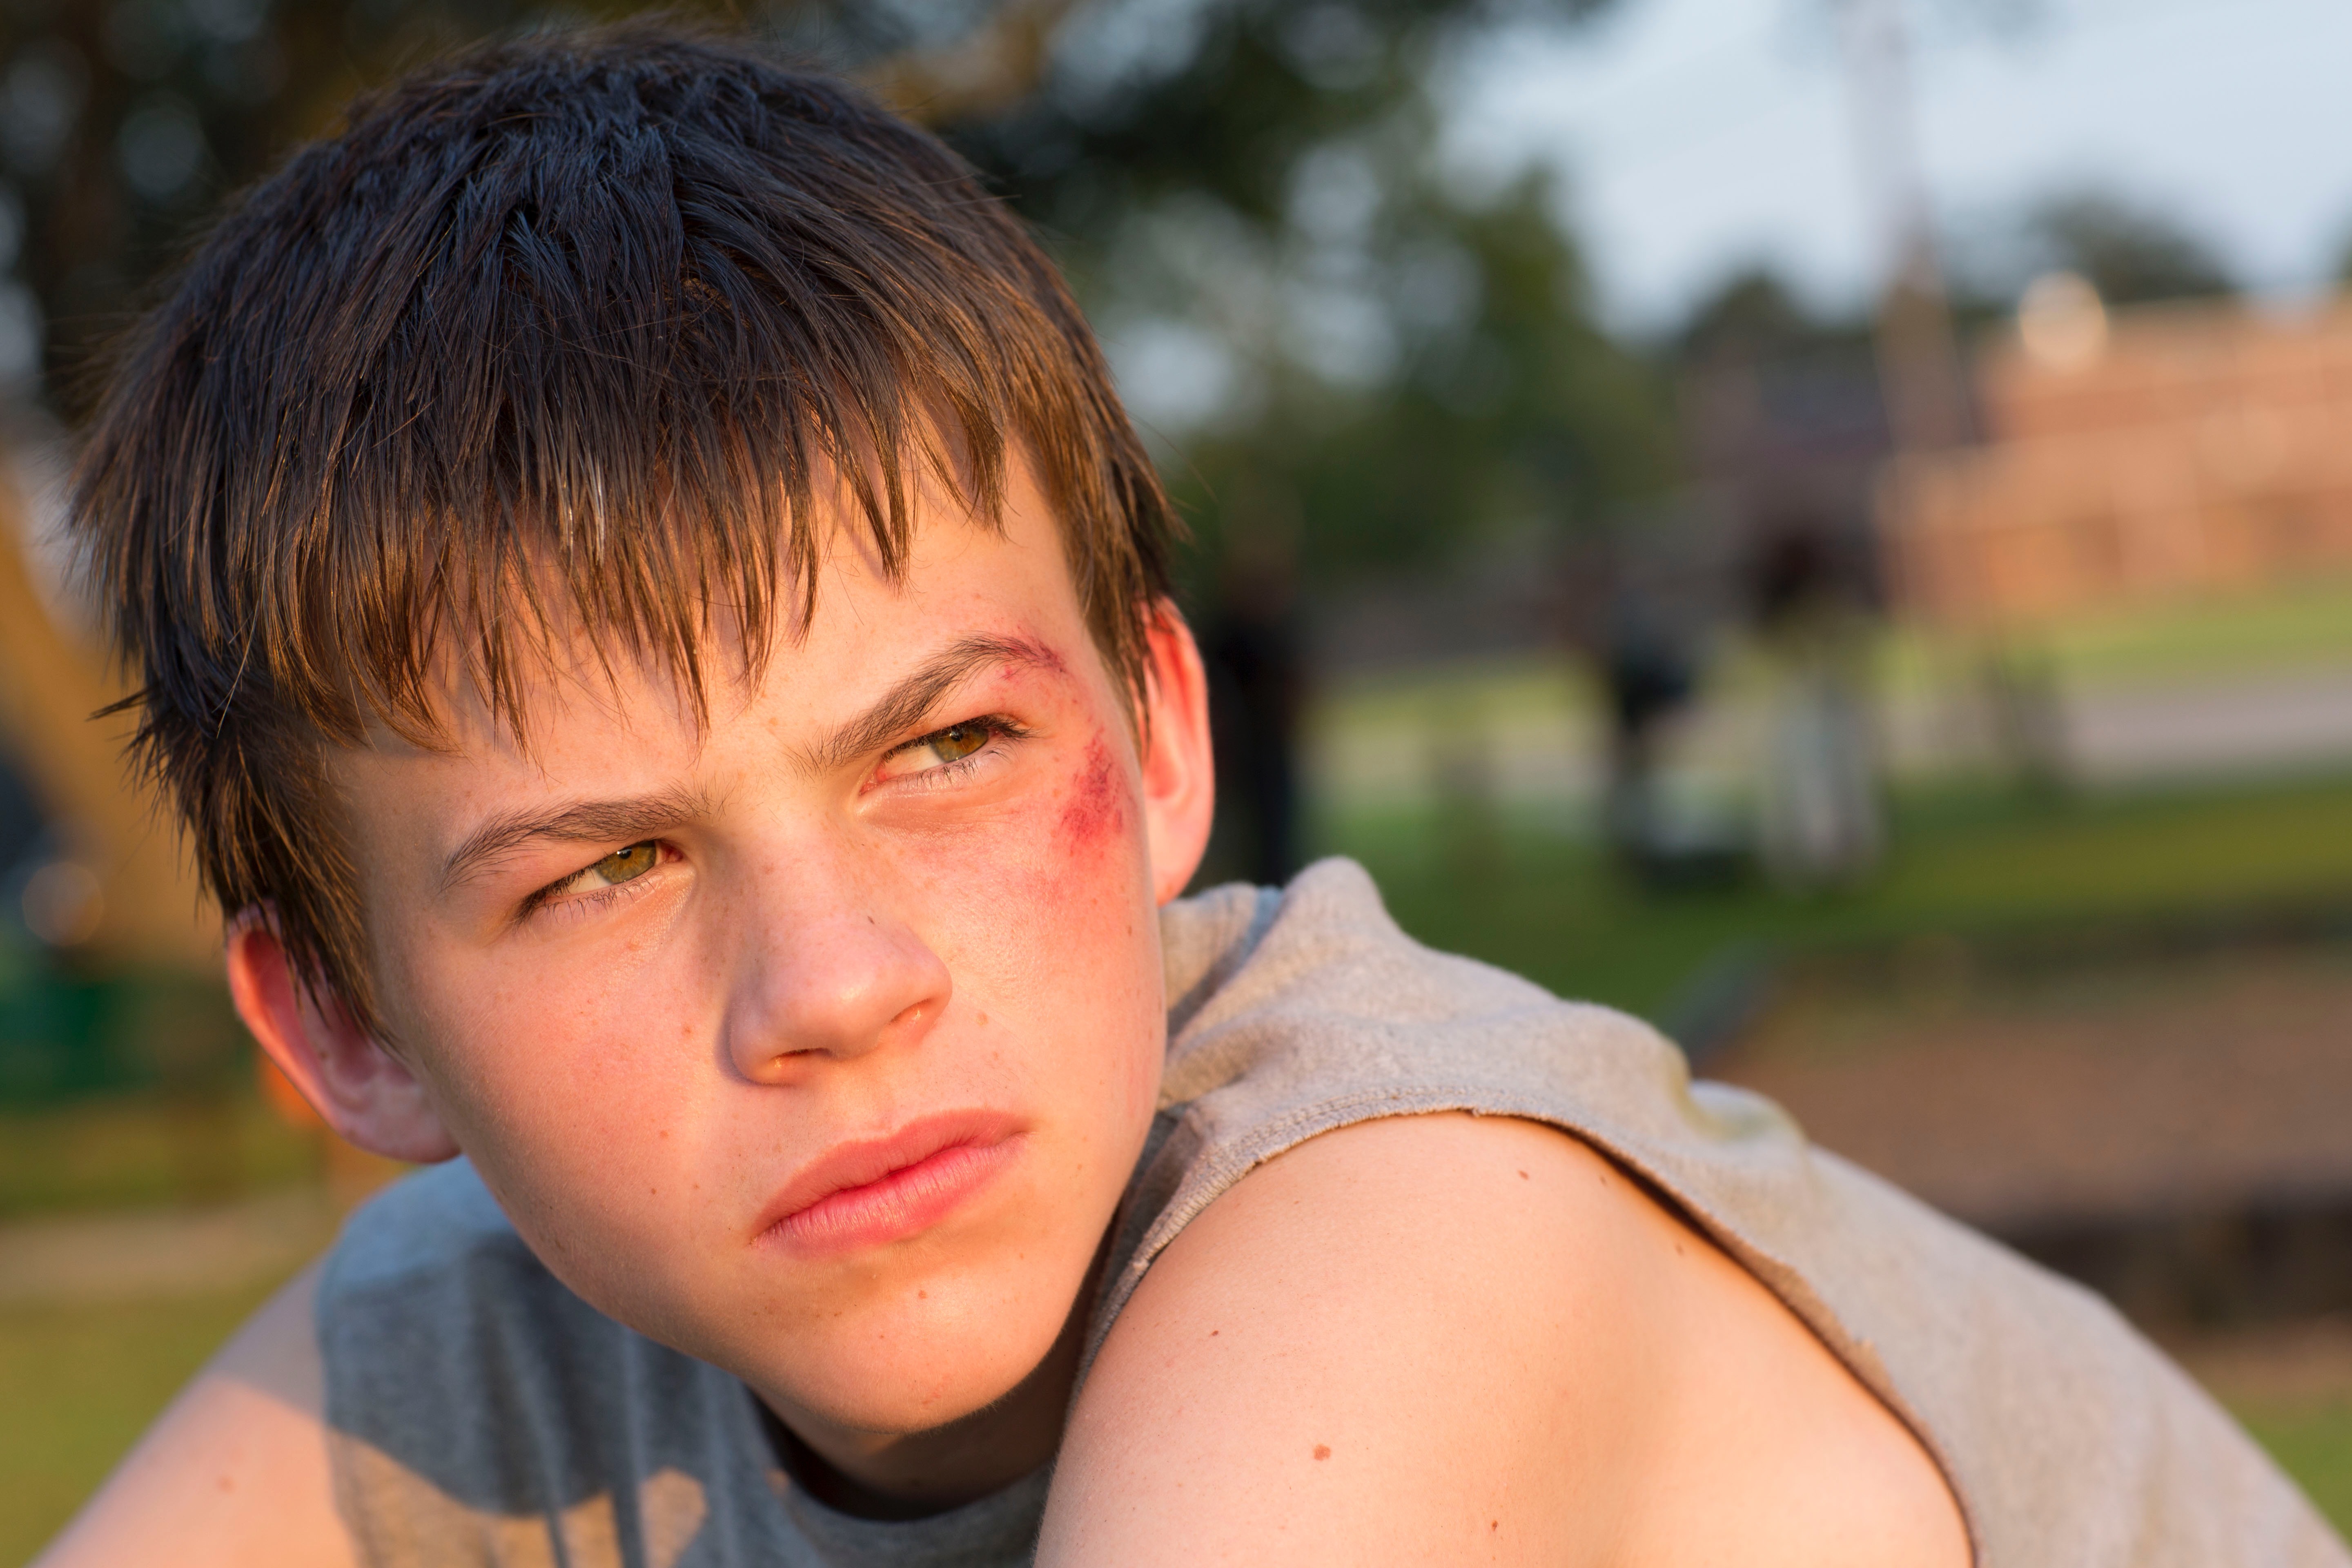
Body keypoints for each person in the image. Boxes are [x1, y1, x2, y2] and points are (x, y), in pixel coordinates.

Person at [31, 24, 2341, 1567]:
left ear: (1159, 739)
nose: (833, 989)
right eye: (607, 871)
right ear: (346, 1023)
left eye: (946, 747)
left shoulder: (1398, 1232)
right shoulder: (473, 1347)